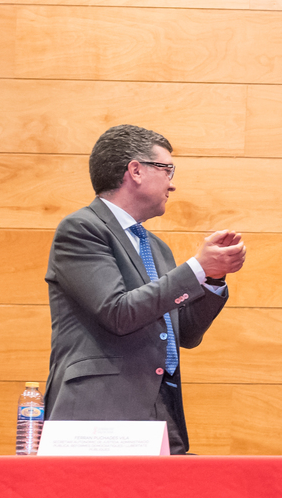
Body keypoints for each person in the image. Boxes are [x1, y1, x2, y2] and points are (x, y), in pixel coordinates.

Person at [44, 124, 246, 454]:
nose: (173, 183)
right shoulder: (81, 229)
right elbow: (117, 312)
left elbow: (185, 334)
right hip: (100, 411)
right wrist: (196, 268)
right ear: (136, 171)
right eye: (167, 169)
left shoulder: (156, 247)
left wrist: (213, 278)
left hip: (162, 407)